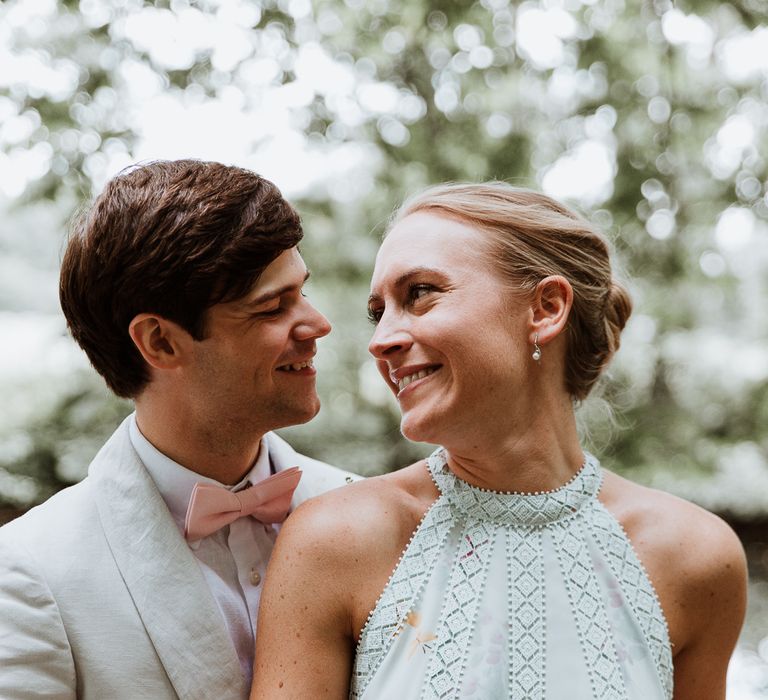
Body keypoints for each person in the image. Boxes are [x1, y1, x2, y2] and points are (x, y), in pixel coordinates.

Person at [251, 182, 748, 699]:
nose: (380, 341)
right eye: (379, 312)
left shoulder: (699, 559)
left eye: (419, 293)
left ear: (546, 308)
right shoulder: (334, 541)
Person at [0, 159, 359, 699]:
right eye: (271, 308)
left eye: (302, 292)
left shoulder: (363, 511)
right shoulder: (31, 571)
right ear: (161, 342)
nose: (317, 324)